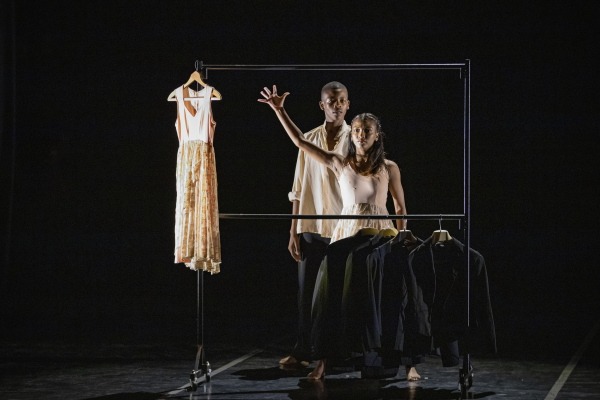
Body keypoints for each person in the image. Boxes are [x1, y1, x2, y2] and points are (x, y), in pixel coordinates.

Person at [258, 85, 421, 381]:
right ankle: (323, 362)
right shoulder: (340, 163)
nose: (360, 135)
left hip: (380, 232)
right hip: (348, 232)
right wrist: (279, 110)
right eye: (357, 130)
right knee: (335, 298)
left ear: (376, 135)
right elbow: (300, 142)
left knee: (390, 295)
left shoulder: (389, 167)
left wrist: (402, 236)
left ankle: (407, 361)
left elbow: (400, 207)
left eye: (367, 131)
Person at [277, 81, 351, 369]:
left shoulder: (355, 140)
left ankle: (336, 352)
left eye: (341, 100)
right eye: (331, 101)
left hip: (343, 228)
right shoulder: (309, 138)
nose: (337, 105)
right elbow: (298, 189)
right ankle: (303, 350)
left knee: (339, 293)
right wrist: (293, 232)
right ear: (322, 105)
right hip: (311, 225)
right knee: (306, 291)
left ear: (348, 104)